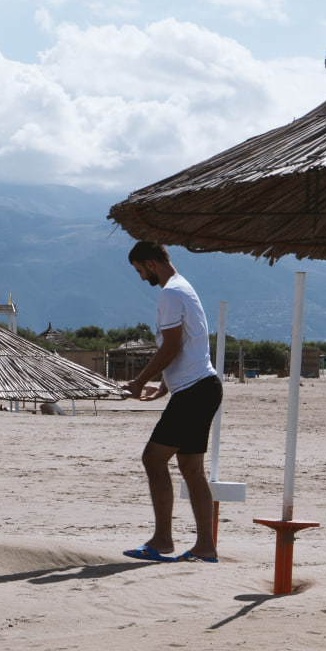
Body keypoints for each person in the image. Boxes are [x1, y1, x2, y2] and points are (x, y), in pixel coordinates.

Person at [121, 240, 223, 563]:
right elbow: (188, 346)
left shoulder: (170, 293)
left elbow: (172, 347)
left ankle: (163, 540)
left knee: (153, 458)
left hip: (195, 391)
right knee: (191, 468)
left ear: (151, 263)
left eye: (139, 270)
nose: (140, 278)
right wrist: (165, 387)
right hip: (202, 387)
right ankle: (205, 546)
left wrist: (140, 381)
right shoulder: (183, 288)